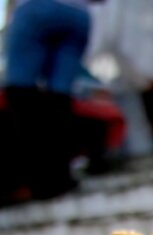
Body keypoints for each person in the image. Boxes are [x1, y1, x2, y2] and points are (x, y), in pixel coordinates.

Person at [3, 0, 100, 201]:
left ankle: (32, 180)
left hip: (36, 8)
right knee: (60, 98)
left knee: (20, 93)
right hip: (80, 14)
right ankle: (60, 177)